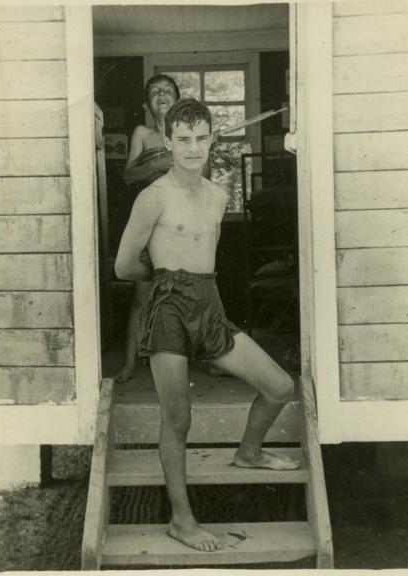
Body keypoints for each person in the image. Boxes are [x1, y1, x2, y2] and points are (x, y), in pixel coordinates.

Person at [115, 98, 299, 552]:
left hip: (210, 306)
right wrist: (163, 283)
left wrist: (195, 293)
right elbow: (123, 266)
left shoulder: (219, 195)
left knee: (278, 386)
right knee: (178, 418)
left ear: (212, 140)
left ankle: (249, 452)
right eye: (183, 139)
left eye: (201, 138)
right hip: (169, 309)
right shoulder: (152, 196)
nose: (193, 147)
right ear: (170, 142)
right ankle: (182, 519)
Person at [112, 74, 181, 383]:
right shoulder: (142, 132)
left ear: (178, 100)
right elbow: (128, 176)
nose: (161, 93)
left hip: (181, 223)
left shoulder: (188, 134)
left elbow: (203, 175)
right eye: (155, 91)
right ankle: (129, 364)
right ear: (146, 104)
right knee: (141, 296)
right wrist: (157, 164)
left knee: (189, 294)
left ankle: (208, 359)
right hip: (148, 224)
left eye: (167, 90)